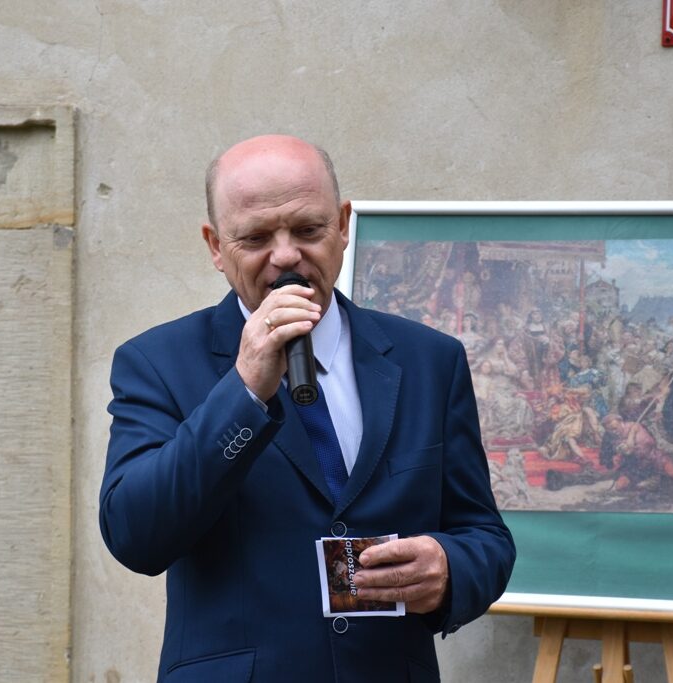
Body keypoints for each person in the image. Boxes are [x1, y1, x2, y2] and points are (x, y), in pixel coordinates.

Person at [98, 135, 515, 682]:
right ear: (216, 247)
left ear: (342, 225)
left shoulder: (430, 360)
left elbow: (484, 536)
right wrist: (244, 391)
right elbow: (135, 535)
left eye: (308, 230)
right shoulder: (156, 363)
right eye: (255, 237)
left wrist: (449, 569)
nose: (286, 256)